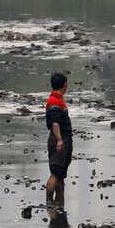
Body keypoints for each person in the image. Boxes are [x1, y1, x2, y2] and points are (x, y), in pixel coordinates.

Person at [45, 72, 73, 206]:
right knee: (56, 172)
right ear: (65, 85)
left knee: (60, 174)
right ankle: (49, 203)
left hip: (62, 139)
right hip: (60, 139)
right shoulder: (54, 101)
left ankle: (60, 205)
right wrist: (60, 140)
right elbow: (55, 123)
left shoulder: (56, 99)